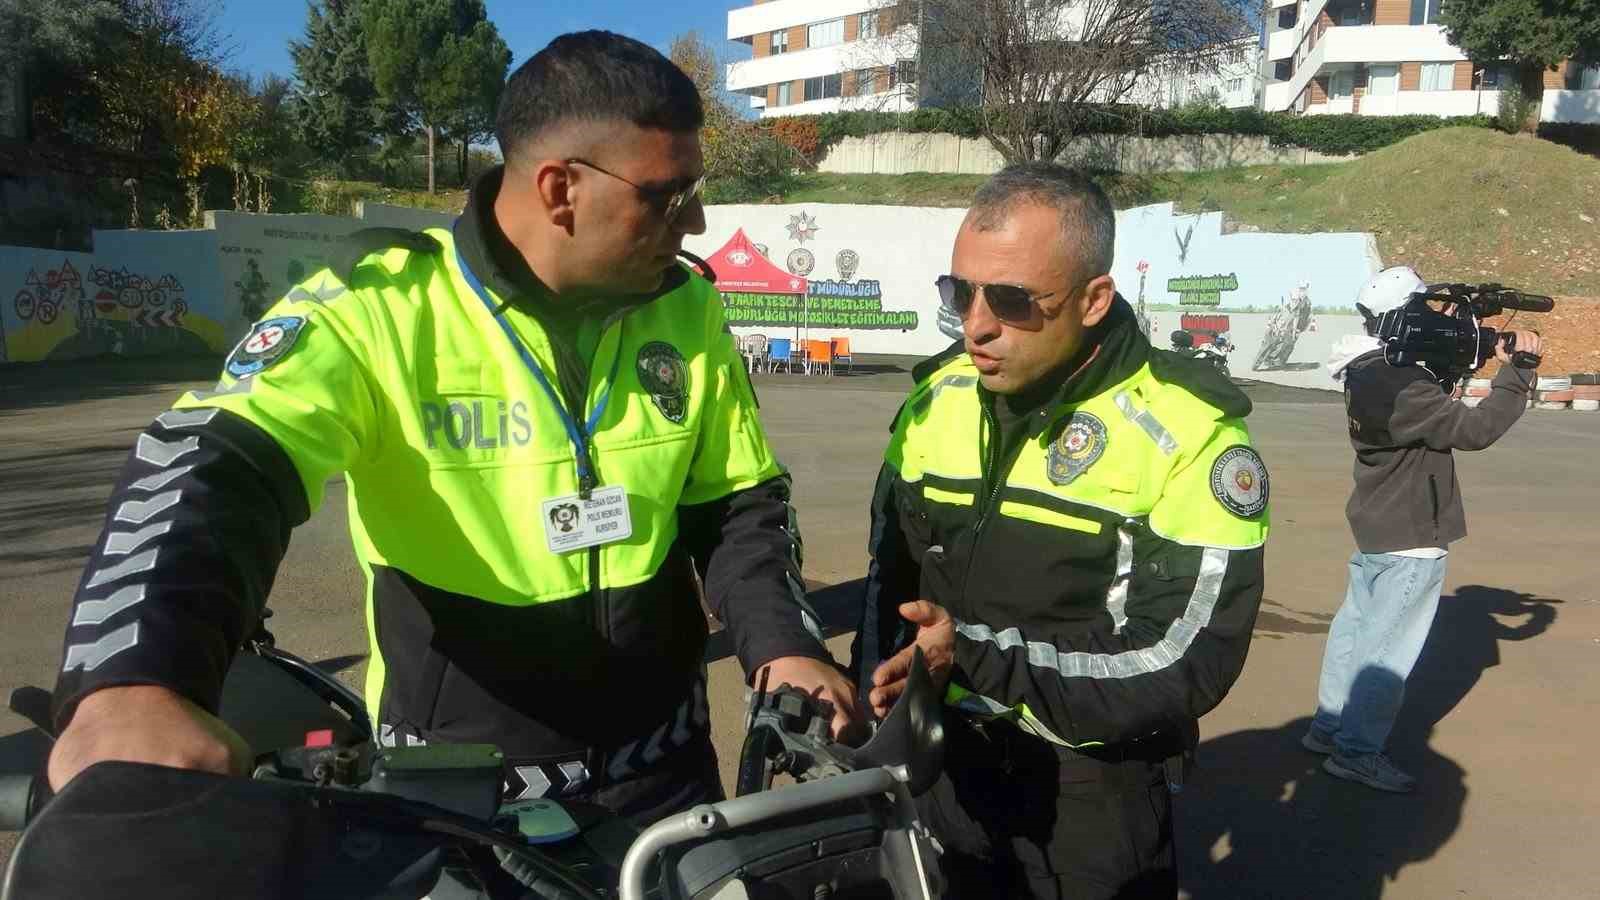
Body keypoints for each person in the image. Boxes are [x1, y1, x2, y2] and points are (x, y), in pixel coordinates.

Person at [44, 30, 857, 826]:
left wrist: (787, 643)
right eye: (668, 195)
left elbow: (737, 500)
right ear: (559, 189)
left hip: (666, 782)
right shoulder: (377, 309)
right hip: (454, 798)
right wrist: (136, 684)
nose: (698, 222)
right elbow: (219, 462)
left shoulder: (687, 308)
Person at [849, 162, 1270, 899]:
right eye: (960, 293)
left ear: (1093, 299)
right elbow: (891, 582)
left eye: (1011, 301)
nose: (976, 324)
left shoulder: (1191, 434)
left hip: (1093, 790)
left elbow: (1185, 659)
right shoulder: (933, 400)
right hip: (939, 764)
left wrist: (977, 659)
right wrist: (873, 710)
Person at [1304, 265, 1541, 793]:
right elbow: (1475, 429)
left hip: (1375, 524)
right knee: (1386, 649)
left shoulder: (1368, 371)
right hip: (1411, 536)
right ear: (1404, 317)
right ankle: (1357, 751)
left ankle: (1328, 727)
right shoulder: (1404, 387)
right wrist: (1518, 369)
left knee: (1355, 631)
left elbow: (1428, 394)